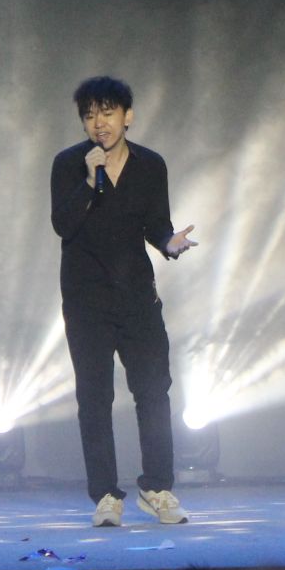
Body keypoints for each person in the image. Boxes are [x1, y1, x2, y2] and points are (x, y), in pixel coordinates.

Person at [50, 75, 197, 527]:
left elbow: (156, 224)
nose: (99, 123)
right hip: (86, 302)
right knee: (94, 398)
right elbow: (63, 225)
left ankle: (157, 488)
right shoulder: (69, 164)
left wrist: (169, 243)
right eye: (90, 115)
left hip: (137, 297)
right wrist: (89, 181)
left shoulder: (151, 165)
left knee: (153, 392)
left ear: (127, 116)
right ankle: (106, 496)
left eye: (108, 113)